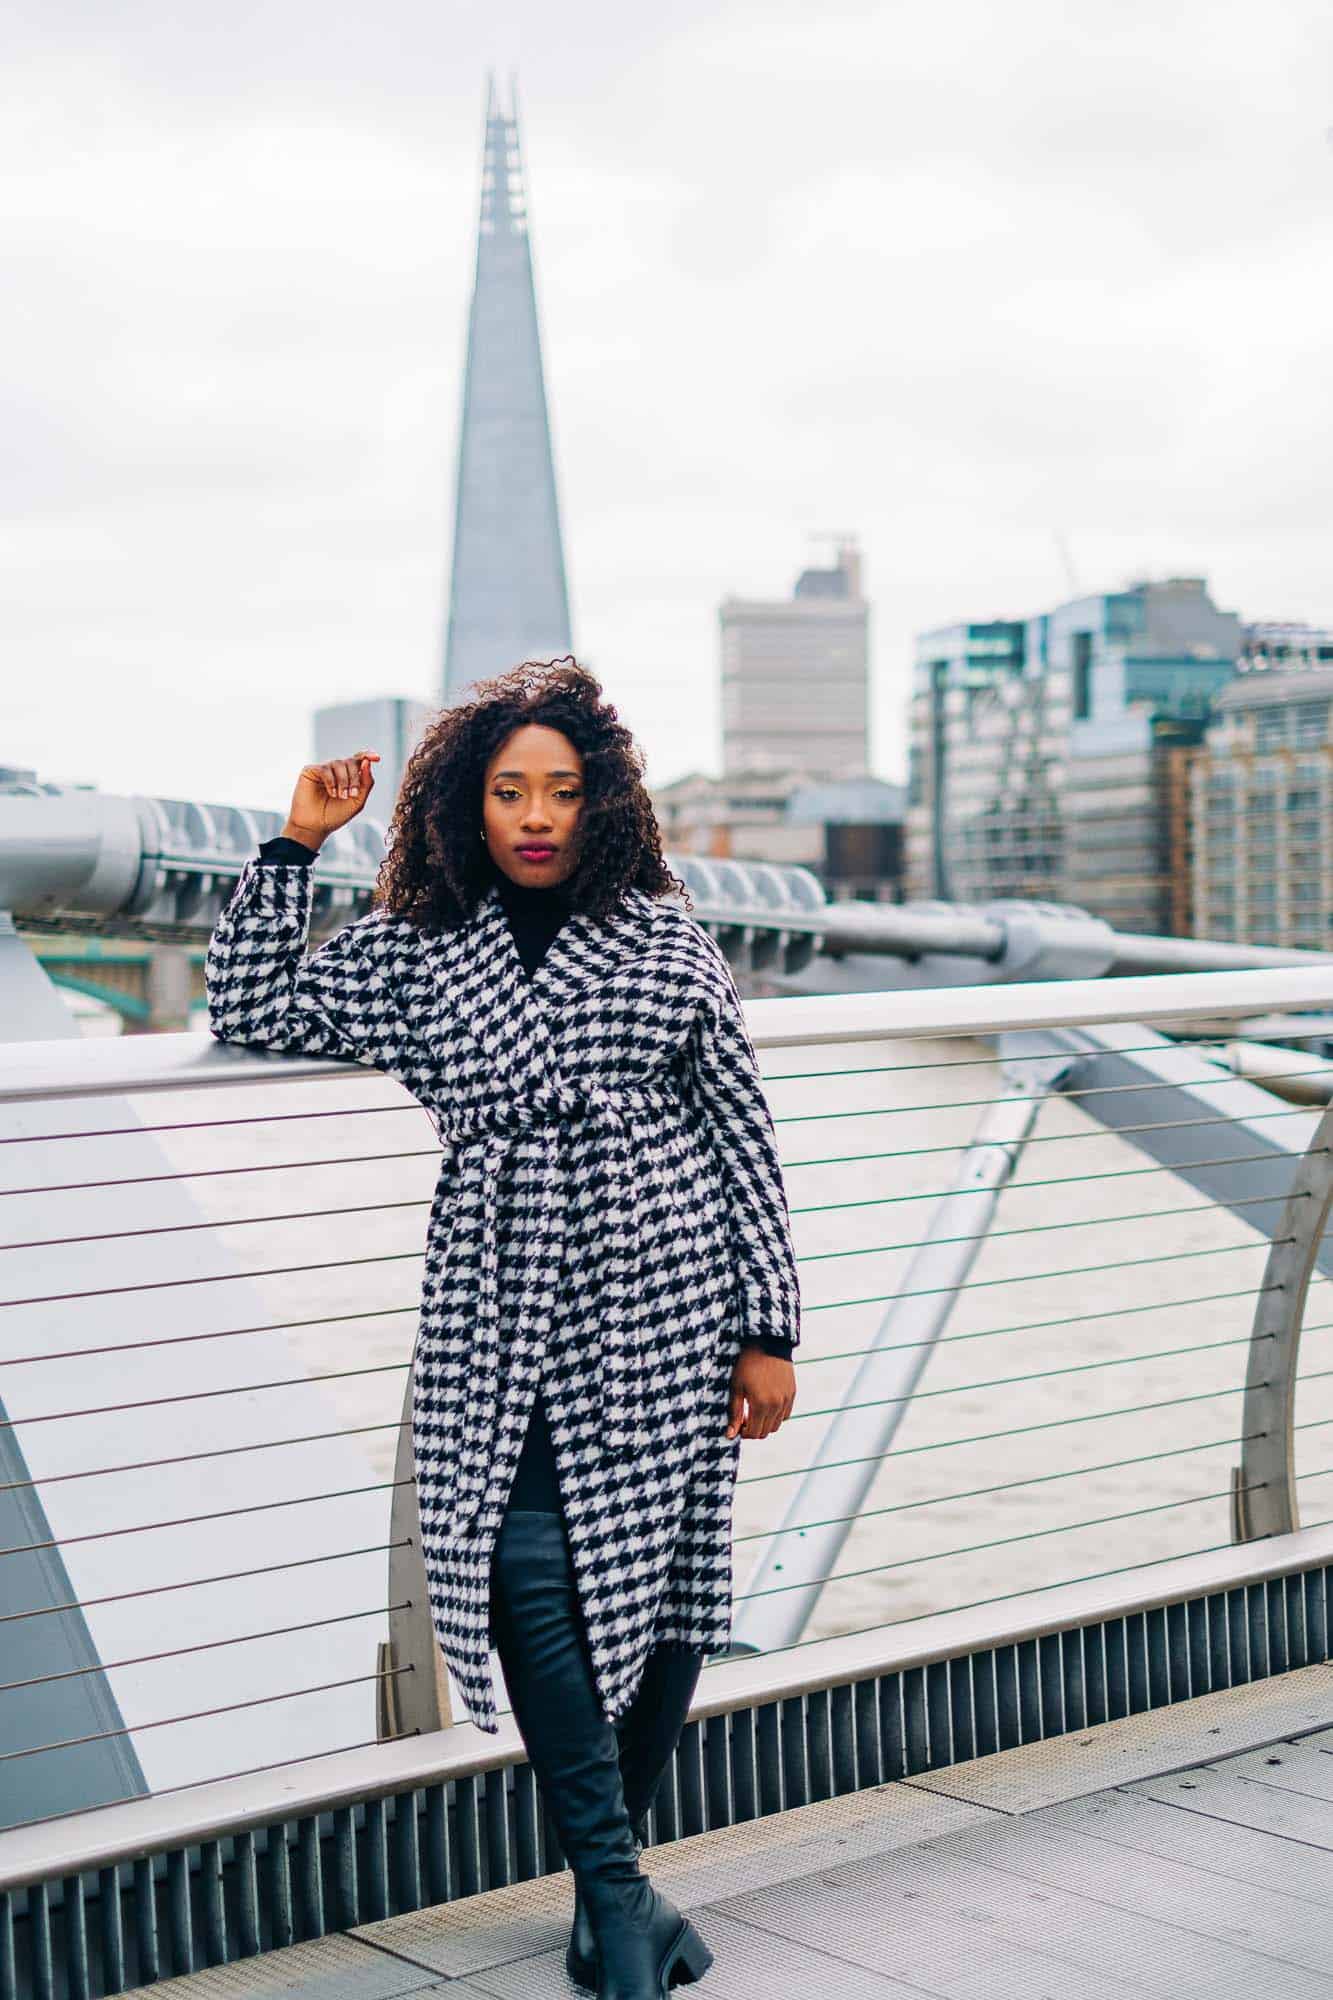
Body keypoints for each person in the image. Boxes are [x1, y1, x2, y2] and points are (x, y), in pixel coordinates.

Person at [204, 658, 801, 1998]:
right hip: (498, 1292)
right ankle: (617, 1893)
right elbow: (248, 1012)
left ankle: (611, 1900)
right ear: (465, 810)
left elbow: (739, 1131)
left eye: (562, 791)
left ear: (600, 806)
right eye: (508, 792)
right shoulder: (416, 950)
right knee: (521, 1564)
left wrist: (769, 1325)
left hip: (666, 1293)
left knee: (669, 1598)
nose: (535, 815)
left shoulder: (662, 934)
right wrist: (295, 844)